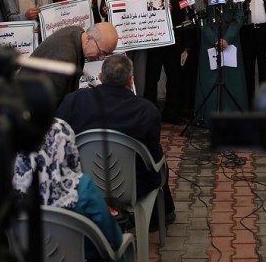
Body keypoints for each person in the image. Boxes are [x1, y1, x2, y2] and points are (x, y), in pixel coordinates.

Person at [12, 117, 126, 262]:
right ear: (68, 148)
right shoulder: (81, 189)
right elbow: (113, 240)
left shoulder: (9, 190)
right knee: (119, 255)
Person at [55, 54, 176, 227]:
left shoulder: (74, 100)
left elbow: (58, 137)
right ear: (131, 81)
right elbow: (153, 157)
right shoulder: (146, 110)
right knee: (160, 165)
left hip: (83, 181)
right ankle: (159, 218)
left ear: (100, 77)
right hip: (133, 187)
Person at [194, 0, 248, 124]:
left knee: (231, 78)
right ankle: (208, 116)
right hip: (210, 40)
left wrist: (227, 39)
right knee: (210, 78)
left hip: (230, 40)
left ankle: (232, 117)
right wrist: (214, 39)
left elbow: (239, 17)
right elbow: (200, 19)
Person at [20, 22, 118, 106]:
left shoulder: (78, 32)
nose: (101, 58)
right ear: (89, 38)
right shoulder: (65, 59)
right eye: (101, 52)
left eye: (106, 55)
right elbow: (51, 103)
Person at [168, 0, 211, 118]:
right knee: (180, 71)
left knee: (198, 70)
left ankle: (197, 107)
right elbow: (176, 2)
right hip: (180, 30)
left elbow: (208, 0)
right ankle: (179, 110)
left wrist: (196, 1)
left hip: (200, 31)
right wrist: (191, 0)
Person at [101, 0, 148, 95]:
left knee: (139, 74)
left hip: (141, 36)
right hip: (120, 37)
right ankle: (119, 103)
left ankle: (137, 103)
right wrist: (105, 9)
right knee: (119, 73)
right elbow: (102, 9)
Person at [144, 0, 180, 121]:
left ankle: (172, 113)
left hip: (173, 38)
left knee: (174, 78)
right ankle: (150, 113)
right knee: (151, 78)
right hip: (152, 39)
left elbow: (185, 5)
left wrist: (175, 8)